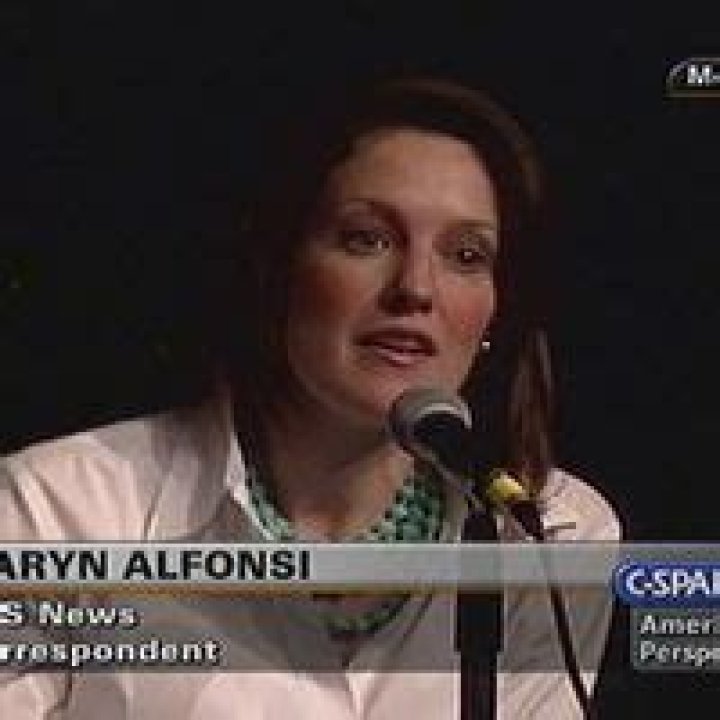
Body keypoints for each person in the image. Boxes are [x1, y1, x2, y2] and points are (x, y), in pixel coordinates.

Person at [0, 76, 621, 718]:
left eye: (465, 255)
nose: (415, 288)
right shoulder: (57, 513)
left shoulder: (552, 534)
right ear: (278, 266)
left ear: (496, 311)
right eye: (367, 239)